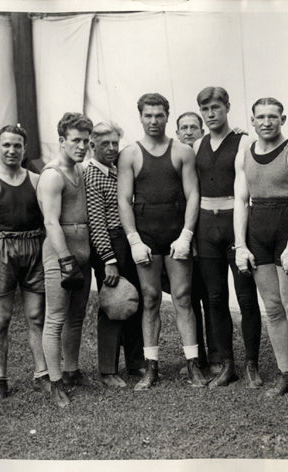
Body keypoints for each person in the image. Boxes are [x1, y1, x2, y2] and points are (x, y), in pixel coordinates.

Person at [117, 93, 207, 389]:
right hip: (146, 236)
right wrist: (133, 239)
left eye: (159, 115)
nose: (153, 121)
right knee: (151, 299)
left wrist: (186, 235)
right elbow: (124, 200)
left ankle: (193, 365)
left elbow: (193, 194)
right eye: (148, 115)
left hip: (174, 233)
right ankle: (151, 367)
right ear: (140, 116)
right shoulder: (130, 154)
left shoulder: (182, 151)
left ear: (168, 116)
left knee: (182, 297)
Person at [234, 97, 288, 398]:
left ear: (283, 119)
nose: (266, 122)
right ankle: (286, 373)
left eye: (272, 116)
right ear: (252, 121)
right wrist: (240, 245)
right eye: (260, 117)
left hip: (286, 229)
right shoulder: (245, 154)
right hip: (258, 231)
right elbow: (241, 201)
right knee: (272, 307)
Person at [0, 125, 49, 404]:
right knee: (1, 320)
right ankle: (0, 381)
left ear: (24, 148)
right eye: (6, 145)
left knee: (36, 317)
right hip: (1, 252)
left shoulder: (38, 180)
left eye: (17, 145)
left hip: (33, 250)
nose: (11, 151)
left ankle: (42, 375)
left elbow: (47, 221)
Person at [193, 87, 263, 388]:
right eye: (205, 108)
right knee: (215, 298)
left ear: (227, 107)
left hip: (236, 224)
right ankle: (226, 364)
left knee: (246, 297)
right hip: (206, 226)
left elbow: (243, 189)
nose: (211, 114)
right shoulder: (197, 144)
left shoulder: (244, 140)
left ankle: (252, 364)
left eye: (216, 108)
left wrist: (241, 238)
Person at [37, 112, 94, 407]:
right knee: (56, 317)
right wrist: (65, 260)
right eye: (76, 141)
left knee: (76, 317)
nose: (82, 146)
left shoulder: (80, 169)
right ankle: (55, 382)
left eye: (86, 141)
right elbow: (50, 222)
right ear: (61, 140)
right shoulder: (52, 174)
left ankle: (71, 371)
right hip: (60, 254)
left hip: (82, 250)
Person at [85, 121, 145, 387]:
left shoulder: (114, 169)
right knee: (113, 305)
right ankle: (108, 370)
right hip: (109, 245)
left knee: (133, 300)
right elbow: (96, 222)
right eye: (105, 144)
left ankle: (136, 363)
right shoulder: (92, 175)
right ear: (92, 145)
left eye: (114, 143)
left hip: (126, 241)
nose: (111, 148)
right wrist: (108, 260)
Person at [175, 111, 218, 370]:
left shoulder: (205, 157)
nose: (189, 132)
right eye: (184, 128)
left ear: (202, 132)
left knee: (211, 298)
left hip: (207, 236)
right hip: (180, 239)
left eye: (194, 127)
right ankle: (195, 357)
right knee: (188, 299)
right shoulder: (174, 157)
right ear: (176, 133)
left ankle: (216, 356)